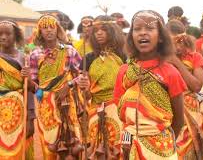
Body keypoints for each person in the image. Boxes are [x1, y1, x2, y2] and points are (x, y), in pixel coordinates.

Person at [113, 10, 186, 159]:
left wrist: (164, 143)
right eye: (137, 29)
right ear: (131, 36)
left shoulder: (170, 72)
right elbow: (121, 112)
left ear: (160, 37)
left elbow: (179, 120)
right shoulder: (124, 71)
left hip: (162, 149)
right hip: (130, 146)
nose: (142, 33)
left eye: (150, 28)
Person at [28, 14, 83, 159]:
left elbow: (83, 74)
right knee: (49, 143)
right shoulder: (35, 54)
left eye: (52, 27)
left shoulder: (69, 51)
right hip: (46, 105)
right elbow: (34, 82)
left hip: (67, 102)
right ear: (40, 32)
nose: (49, 31)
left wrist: (69, 85)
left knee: (73, 143)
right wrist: (34, 85)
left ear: (57, 29)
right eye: (44, 28)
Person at [77, 15, 125, 159]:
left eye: (103, 29)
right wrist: (85, 89)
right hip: (95, 110)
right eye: (96, 30)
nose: (99, 33)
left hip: (119, 111)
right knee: (96, 150)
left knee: (119, 150)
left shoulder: (124, 56)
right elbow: (86, 96)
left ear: (113, 31)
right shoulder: (88, 59)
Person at [166, 20, 203, 159]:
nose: (177, 47)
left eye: (180, 41)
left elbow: (196, 86)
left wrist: (176, 62)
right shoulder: (160, 59)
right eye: (172, 42)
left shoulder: (195, 57)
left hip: (190, 108)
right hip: (166, 108)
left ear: (186, 40)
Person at [0, 20, 35, 159]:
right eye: (0, 34)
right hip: (1, 113)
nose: (3, 37)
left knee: (20, 147)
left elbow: (31, 89)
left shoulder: (24, 59)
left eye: (7, 34)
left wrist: (30, 118)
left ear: (16, 36)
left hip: (19, 113)